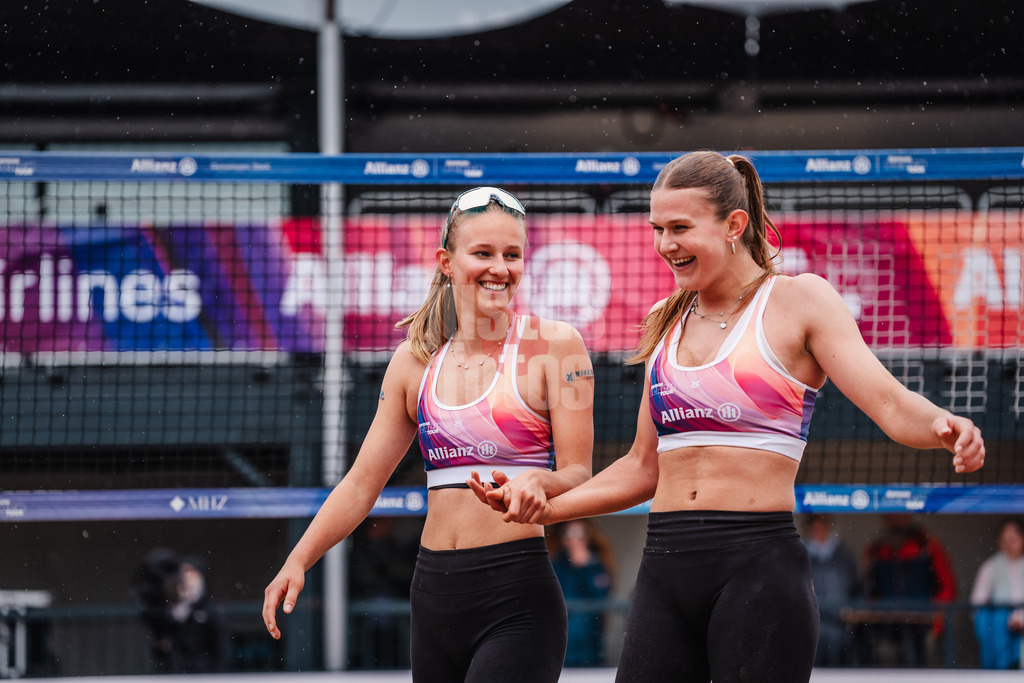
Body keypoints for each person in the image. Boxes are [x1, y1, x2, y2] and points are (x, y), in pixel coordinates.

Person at [469, 150, 986, 683]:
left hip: (758, 568)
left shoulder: (799, 301)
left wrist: (943, 426)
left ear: (734, 225)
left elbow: (890, 404)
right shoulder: (664, 318)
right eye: (657, 229)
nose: (664, 244)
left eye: (680, 228)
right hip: (665, 568)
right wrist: (547, 509)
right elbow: (642, 467)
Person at [262, 186, 595, 683]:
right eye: (483, 253)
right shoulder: (413, 361)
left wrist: (539, 483)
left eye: (512, 254)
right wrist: (298, 559)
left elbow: (579, 474)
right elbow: (360, 485)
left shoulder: (557, 346)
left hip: (516, 594)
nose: (500, 268)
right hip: (434, 594)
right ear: (446, 262)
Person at [862, 513, 957, 667]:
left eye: (901, 514)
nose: (897, 519)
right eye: (892, 515)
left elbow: (946, 587)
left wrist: (938, 620)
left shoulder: (927, 546)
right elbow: (869, 590)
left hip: (923, 625)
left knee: (924, 668)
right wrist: (876, 617)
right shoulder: (876, 550)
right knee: (886, 670)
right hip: (888, 626)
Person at [133, 549, 230, 673]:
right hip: (176, 674)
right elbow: (160, 649)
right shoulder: (170, 611)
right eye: (183, 572)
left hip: (204, 675)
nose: (187, 577)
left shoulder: (212, 611)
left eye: (192, 572)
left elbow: (222, 651)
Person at [548, 519, 617, 667]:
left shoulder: (597, 565)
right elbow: (554, 598)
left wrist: (585, 567)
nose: (575, 541)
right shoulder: (555, 565)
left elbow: (603, 597)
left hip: (591, 642)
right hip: (563, 643)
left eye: (580, 535)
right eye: (569, 535)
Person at [803, 514, 860, 666]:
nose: (821, 534)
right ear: (809, 531)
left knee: (841, 668)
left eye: (824, 529)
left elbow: (856, 587)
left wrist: (852, 609)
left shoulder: (845, 557)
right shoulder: (803, 558)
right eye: (816, 530)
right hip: (814, 627)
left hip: (842, 625)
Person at [970, 517, 1024, 669]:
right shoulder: (990, 567)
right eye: (1004, 541)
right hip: (1000, 630)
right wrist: (1004, 618)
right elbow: (977, 602)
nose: (1009, 545)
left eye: (1013, 540)